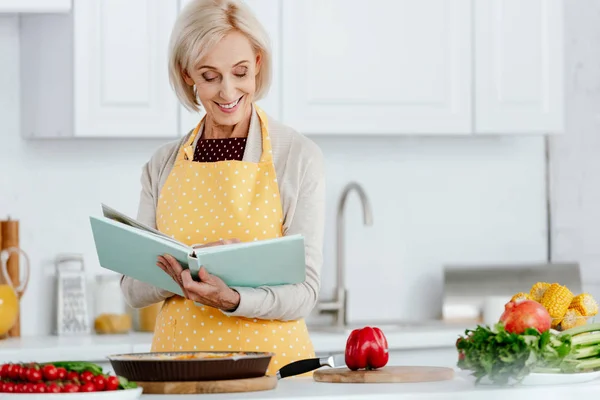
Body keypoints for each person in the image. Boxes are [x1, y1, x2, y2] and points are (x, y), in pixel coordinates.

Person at [119, 0, 325, 376]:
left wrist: (232, 299)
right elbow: (132, 289)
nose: (228, 91)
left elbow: (305, 293)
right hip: (176, 373)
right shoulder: (162, 165)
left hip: (272, 377)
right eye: (210, 76)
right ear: (187, 75)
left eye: (240, 72)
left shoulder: (297, 156)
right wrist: (187, 273)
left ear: (258, 64)